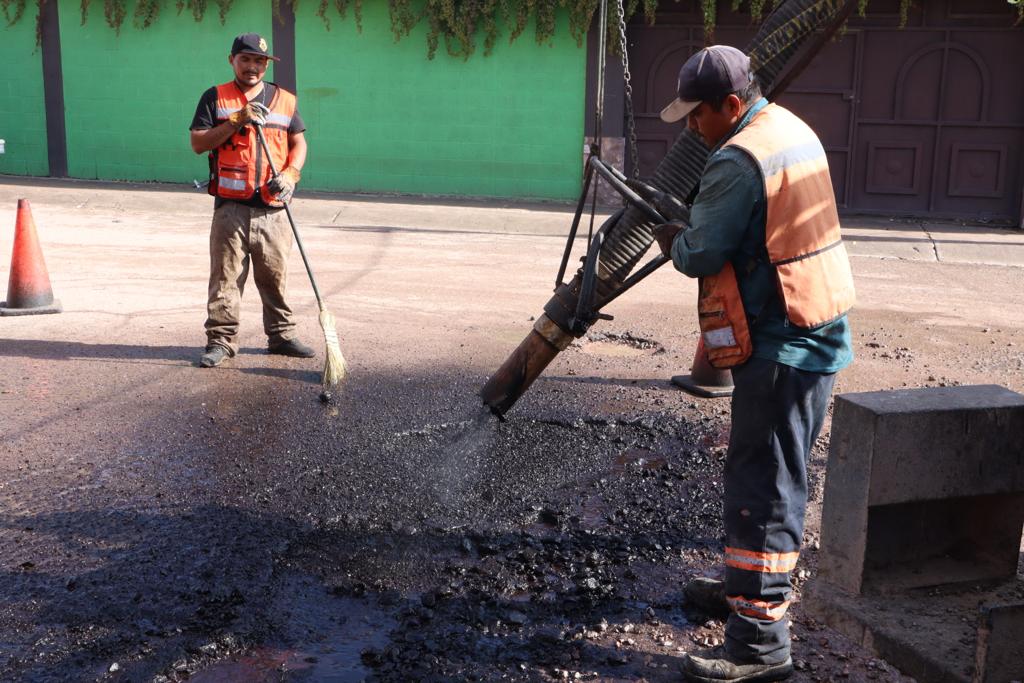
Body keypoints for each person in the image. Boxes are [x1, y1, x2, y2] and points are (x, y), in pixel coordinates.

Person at [653, 45, 855, 682]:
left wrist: (675, 235)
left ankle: (760, 646)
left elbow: (701, 252)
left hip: (781, 343)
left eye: (697, 115)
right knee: (772, 477)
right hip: (814, 325)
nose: (691, 126)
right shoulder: (789, 128)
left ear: (731, 105)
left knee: (763, 488)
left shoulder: (738, 161)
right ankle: (745, 587)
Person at [189, 32, 314, 368]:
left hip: (274, 209)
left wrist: (291, 175)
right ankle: (221, 341)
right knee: (225, 279)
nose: (252, 67)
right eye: (245, 59)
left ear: (266, 64)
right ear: (232, 60)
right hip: (231, 209)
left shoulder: (284, 100)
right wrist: (235, 120)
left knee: (275, 276)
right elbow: (199, 143)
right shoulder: (215, 98)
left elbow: (299, 144)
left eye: (259, 61)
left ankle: (281, 336)